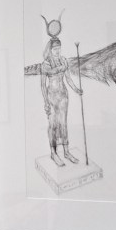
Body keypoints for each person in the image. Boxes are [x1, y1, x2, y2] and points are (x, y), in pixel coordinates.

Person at [40, 35, 83, 167]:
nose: (58, 51)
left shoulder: (64, 61)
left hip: (63, 95)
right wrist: (46, 102)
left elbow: (68, 78)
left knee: (63, 124)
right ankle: (53, 153)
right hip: (51, 97)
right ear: (50, 50)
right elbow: (43, 85)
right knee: (53, 125)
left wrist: (76, 89)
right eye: (55, 49)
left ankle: (66, 152)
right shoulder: (45, 64)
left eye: (59, 48)